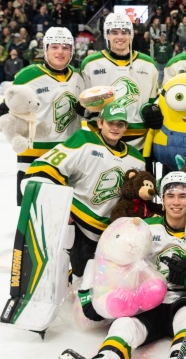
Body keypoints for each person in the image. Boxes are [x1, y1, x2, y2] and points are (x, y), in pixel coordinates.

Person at [59, 172, 186, 359]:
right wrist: (92, 295)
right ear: (162, 198)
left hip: (182, 302)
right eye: (170, 195)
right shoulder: (144, 228)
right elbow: (109, 258)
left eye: (182, 195)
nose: (176, 202)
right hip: (146, 301)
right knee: (124, 325)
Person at [23, 103, 146, 279]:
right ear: (101, 123)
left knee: (106, 278)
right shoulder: (84, 141)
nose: (115, 127)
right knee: (79, 275)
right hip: (80, 220)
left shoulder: (136, 158)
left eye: (120, 124)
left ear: (126, 127)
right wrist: (60, 208)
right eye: (111, 123)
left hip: (111, 228)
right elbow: (46, 167)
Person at [0, 27, 84, 205]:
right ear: (45, 49)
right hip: (34, 154)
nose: (60, 52)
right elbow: (3, 112)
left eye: (65, 47)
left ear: (72, 51)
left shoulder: (78, 77)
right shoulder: (27, 76)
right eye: (55, 47)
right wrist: (2, 113)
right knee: (33, 212)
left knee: (66, 212)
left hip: (69, 153)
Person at [80, 13, 159, 149]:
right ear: (107, 35)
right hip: (100, 139)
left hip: (139, 139)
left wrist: (153, 109)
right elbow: (82, 104)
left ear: (131, 35)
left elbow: (153, 101)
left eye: (124, 32)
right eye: (114, 32)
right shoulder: (90, 64)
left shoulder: (148, 64)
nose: (120, 37)